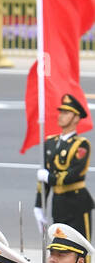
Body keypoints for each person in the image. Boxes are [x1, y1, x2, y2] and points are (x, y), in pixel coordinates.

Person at [36, 93, 92, 241]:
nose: (60, 116)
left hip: (77, 202)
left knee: (80, 248)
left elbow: (72, 175)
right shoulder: (50, 142)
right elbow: (44, 180)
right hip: (58, 203)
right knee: (61, 248)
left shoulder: (81, 145)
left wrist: (49, 177)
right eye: (61, 112)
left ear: (76, 118)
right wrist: (39, 206)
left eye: (66, 113)